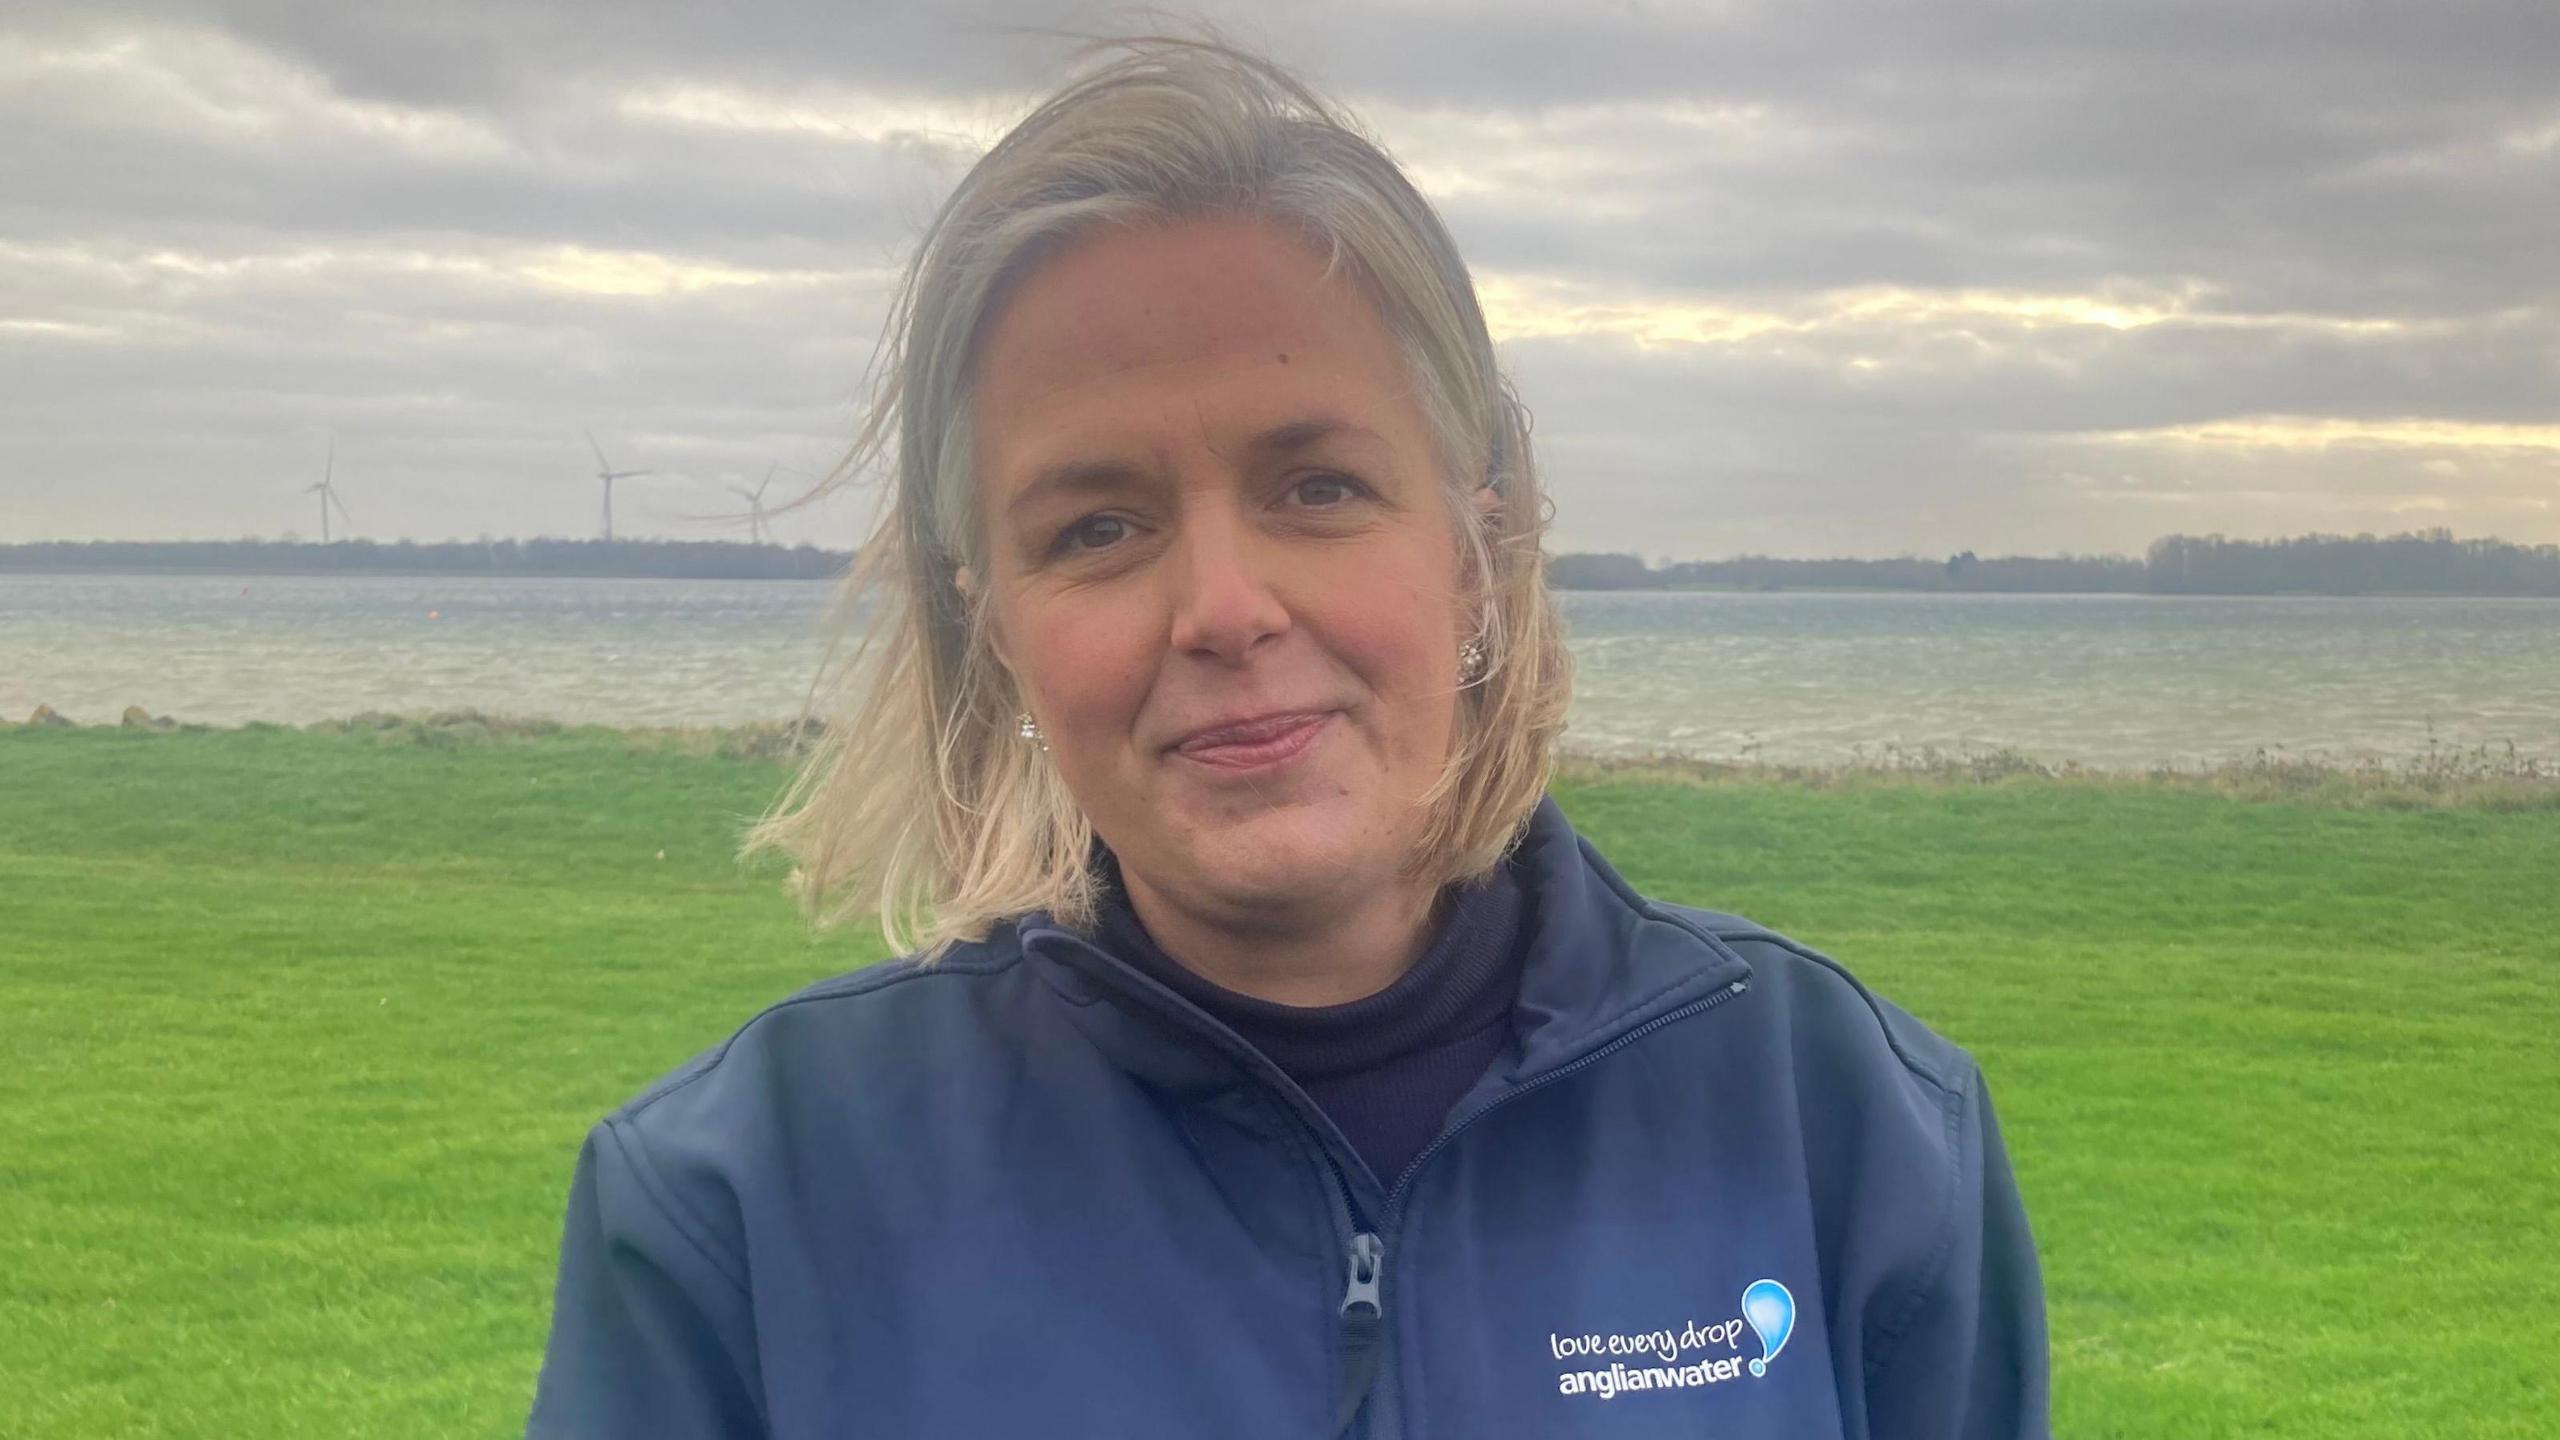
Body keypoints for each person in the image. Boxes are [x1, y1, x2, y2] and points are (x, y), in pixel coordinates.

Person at [526, 35, 2047, 1440]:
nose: (1224, 608)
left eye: (1317, 486)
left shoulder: (1848, 1127)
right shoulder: (742, 1201)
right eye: (1098, 524)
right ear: (995, 619)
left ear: (1480, 542)